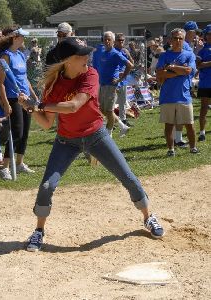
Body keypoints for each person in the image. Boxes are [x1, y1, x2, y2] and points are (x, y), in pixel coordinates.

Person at [18, 37, 164, 252]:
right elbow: (47, 123)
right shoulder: (52, 86)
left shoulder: (90, 74)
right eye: (81, 55)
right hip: (66, 141)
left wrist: (39, 104)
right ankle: (38, 230)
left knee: (128, 177)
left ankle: (148, 216)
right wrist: (30, 109)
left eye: (87, 53)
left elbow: (75, 105)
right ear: (67, 60)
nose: (87, 57)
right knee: (47, 185)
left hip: (96, 135)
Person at [0, 26, 38, 180]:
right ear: (15, 38)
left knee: (25, 132)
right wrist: (6, 103)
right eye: (22, 37)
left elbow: (24, 78)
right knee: (17, 131)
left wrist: (33, 95)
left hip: (25, 97)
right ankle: (5, 168)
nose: (24, 40)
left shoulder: (20, 54)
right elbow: (0, 83)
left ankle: (19, 164)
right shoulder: (5, 57)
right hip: (13, 98)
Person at [156, 28, 198, 157]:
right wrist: (180, 71)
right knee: (169, 125)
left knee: (189, 124)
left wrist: (171, 68)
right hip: (167, 96)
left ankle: (193, 148)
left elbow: (189, 71)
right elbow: (159, 75)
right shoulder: (164, 55)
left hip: (184, 96)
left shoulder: (190, 54)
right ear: (170, 40)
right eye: (175, 38)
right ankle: (171, 149)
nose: (178, 40)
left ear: (184, 40)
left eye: (180, 38)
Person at [93, 31, 133, 137]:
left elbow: (129, 65)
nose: (106, 41)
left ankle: (108, 134)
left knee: (109, 111)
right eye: (105, 39)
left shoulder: (116, 53)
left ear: (113, 41)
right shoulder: (102, 52)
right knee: (102, 109)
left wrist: (120, 79)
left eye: (109, 39)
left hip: (111, 86)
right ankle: (122, 126)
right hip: (102, 84)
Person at [174, 21, 199, 148]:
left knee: (180, 112)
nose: (195, 35)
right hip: (180, 83)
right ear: (189, 32)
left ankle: (177, 138)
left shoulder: (188, 45)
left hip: (184, 82)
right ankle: (177, 139)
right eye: (194, 32)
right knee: (181, 112)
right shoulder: (184, 45)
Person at [114, 33, 134, 127]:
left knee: (123, 101)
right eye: (119, 40)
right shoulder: (112, 51)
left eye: (122, 40)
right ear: (115, 41)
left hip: (123, 79)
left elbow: (132, 62)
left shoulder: (125, 51)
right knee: (111, 102)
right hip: (113, 79)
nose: (121, 42)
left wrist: (128, 56)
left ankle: (123, 119)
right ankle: (110, 122)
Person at [197, 24, 211, 142]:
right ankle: (202, 132)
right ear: (206, 36)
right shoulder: (202, 51)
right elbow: (198, 65)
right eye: (209, 34)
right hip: (205, 83)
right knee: (203, 108)